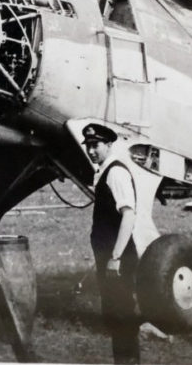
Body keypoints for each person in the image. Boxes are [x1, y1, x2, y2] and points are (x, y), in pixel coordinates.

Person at [83, 124, 140, 364]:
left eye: (96, 145)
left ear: (108, 145)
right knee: (115, 315)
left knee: (122, 314)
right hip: (109, 258)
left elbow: (129, 214)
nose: (91, 151)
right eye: (88, 146)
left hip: (118, 258)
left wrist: (115, 257)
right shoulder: (104, 171)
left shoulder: (116, 173)